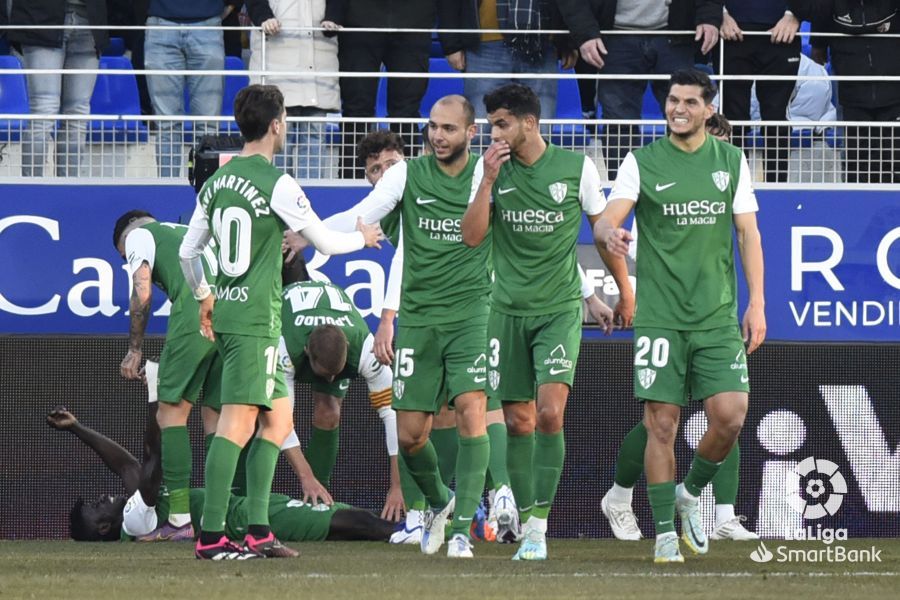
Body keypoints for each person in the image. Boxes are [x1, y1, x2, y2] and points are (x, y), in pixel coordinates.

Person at [178, 84, 382, 560]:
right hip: (255, 320)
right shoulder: (278, 183)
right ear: (275, 125)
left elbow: (190, 252)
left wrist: (205, 297)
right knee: (237, 424)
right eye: (285, 119)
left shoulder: (216, 182)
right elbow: (326, 245)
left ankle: (258, 530)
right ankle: (210, 536)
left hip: (232, 314)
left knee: (278, 419)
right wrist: (364, 235)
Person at [594, 69, 766, 563]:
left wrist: (756, 302)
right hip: (661, 316)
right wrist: (608, 234)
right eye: (672, 100)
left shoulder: (731, 160)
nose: (678, 109)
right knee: (661, 424)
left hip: (715, 315)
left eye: (690, 101)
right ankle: (666, 533)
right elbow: (610, 217)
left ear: (709, 109)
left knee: (731, 416)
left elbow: (748, 235)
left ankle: (692, 492)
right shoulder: (641, 160)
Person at [461, 83, 630, 561]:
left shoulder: (576, 167)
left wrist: (618, 283)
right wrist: (488, 182)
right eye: (491, 123)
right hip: (505, 311)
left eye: (500, 124)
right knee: (517, 422)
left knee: (550, 414)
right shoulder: (490, 169)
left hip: (557, 310)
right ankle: (519, 509)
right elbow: (472, 237)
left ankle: (538, 527)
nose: (493, 133)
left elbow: (598, 227)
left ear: (529, 124)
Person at [322, 95, 496, 559]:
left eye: (449, 129)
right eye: (433, 127)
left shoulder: (486, 174)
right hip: (420, 319)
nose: (438, 136)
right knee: (410, 435)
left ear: (470, 133)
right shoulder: (405, 175)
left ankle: (462, 528)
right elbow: (362, 215)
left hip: (472, 313)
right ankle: (442, 503)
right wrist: (309, 235)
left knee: (470, 410)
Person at [49, 403, 396, 547]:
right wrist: (159, 399)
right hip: (238, 520)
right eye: (96, 506)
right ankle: (398, 534)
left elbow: (124, 465)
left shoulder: (132, 514)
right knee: (337, 521)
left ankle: (397, 531)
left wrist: (78, 428)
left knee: (335, 519)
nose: (102, 498)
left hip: (238, 509)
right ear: (104, 527)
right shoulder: (135, 523)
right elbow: (150, 460)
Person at [113, 210, 220, 541]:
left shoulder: (138, 236)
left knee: (171, 414)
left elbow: (142, 292)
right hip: (232, 313)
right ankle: (221, 515)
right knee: (218, 418)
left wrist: (134, 349)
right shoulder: (188, 231)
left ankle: (179, 519)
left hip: (195, 313)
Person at [278, 278, 405, 521]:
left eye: (338, 371)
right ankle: (244, 495)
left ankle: (319, 501)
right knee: (256, 417)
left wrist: (398, 485)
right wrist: (306, 478)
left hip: (333, 313)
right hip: (287, 318)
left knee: (328, 411)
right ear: (307, 354)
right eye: (327, 374)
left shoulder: (366, 347)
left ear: (347, 346)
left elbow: (393, 415)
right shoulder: (286, 348)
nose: (332, 379)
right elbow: (280, 425)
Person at [554, 0, 722, 179]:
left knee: (684, 115)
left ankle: (685, 184)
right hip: (614, 36)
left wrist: (709, 17)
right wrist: (585, 33)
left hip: (676, 33)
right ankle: (622, 189)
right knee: (618, 121)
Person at [324, 0, 436, 178]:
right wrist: (332, 15)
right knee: (356, 110)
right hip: (358, 24)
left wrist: (453, 43)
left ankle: (409, 179)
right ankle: (350, 179)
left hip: (413, 23)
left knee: (406, 113)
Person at [8, 0, 108, 177]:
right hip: (39, 19)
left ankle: (69, 193)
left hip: (89, 20)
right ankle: (33, 192)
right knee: (44, 110)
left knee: (78, 113)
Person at [719, 1, 812, 183]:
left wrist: (795, 13)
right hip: (730, 34)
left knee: (776, 116)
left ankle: (777, 189)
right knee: (732, 116)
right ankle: (735, 187)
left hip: (783, 35)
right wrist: (718, 13)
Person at [246, 0, 340, 179]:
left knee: (312, 137)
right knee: (279, 138)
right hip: (277, 65)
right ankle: (278, 194)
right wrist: (264, 18)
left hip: (318, 66)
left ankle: (312, 196)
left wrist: (333, 18)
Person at [437, 0, 575, 121]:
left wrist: (569, 42)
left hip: (542, 44)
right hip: (485, 43)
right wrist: (451, 44)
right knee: (479, 129)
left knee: (539, 126)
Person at [811, 0, 900, 183]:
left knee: (894, 161)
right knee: (856, 163)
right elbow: (817, 50)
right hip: (851, 96)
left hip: (894, 93)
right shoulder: (830, 6)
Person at [144, 0, 226, 178]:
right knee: (167, 125)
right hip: (160, 25)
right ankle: (168, 194)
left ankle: (206, 196)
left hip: (208, 24)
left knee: (207, 126)